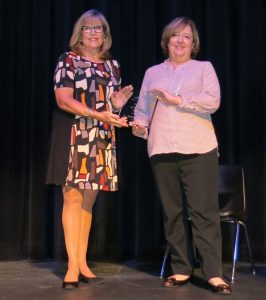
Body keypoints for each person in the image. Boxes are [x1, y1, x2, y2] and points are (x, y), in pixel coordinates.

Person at [132, 17, 231, 295]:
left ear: (193, 42)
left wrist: (180, 101)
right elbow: (142, 109)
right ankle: (181, 269)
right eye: (175, 35)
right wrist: (139, 127)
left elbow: (213, 101)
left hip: (198, 148)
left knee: (204, 213)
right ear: (167, 40)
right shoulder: (152, 73)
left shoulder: (203, 68)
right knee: (172, 214)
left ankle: (213, 273)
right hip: (162, 148)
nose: (180, 40)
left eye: (186, 36)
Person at [46, 9, 133, 289]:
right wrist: (100, 114)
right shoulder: (67, 60)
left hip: (101, 135)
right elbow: (63, 100)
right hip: (74, 132)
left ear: (105, 35)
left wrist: (117, 104)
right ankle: (72, 266)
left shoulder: (112, 66)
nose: (93, 32)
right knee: (72, 198)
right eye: (87, 28)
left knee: (88, 201)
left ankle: (82, 261)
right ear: (79, 33)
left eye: (99, 28)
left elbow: (109, 107)